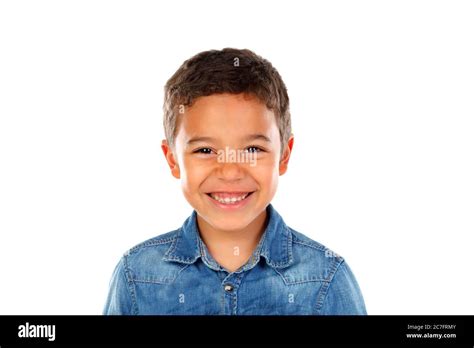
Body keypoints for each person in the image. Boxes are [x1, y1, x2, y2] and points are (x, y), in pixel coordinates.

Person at [103, 48, 367, 315]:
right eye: (205, 150)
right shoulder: (136, 275)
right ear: (172, 159)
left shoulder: (326, 278)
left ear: (284, 156)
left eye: (253, 149)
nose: (230, 172)